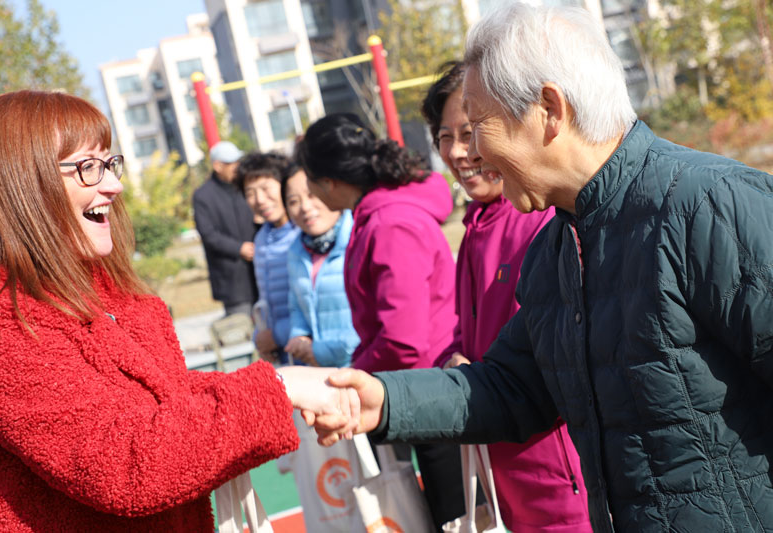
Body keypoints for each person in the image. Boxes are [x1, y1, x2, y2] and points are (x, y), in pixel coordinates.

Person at [313, 3, 773, 532]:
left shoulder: (712, 206)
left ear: (549, 109)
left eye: (478, 126)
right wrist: (386, 401)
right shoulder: (556, 250)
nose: (471, 153)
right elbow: (512, 387)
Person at [0, 90, 359, 532]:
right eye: (87, 167)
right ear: (21, 184)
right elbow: (124, 464)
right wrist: (277, 387)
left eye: (108, 163)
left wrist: (292, 386)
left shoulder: (113, 295)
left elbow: (162, 399)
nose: (113, 185)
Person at [422, 61, 591, 532]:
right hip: (505, 468)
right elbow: (465, 334)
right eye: (445, 137)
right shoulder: (476, 228)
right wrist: (454, 359)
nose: (459, 152)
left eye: (471, 132)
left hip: (557, 470)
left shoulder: (538, 219)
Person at [296, 113, 469, 530]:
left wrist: (349, 375)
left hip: (429, 393)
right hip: (417, 387)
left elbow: (403, 338)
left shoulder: (391, 223)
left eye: (309, 181)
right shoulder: (379, 215)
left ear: (330, 183)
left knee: (456, 518)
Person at [282, 166, 359, 368]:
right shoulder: (295, 252)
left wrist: (320, 352)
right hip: (321, 372)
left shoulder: (359, 240)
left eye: (312, 194)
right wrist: (300, 338)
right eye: (293, 201)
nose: (305, 207)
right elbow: (296, 305)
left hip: (363, 368)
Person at [238, 152, 300, 364]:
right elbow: (266, 300)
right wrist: (260, 338)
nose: (259, 200)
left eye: (265, 189)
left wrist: (276, 336)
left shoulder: (303, 234)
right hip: (284, 355)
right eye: (250, 193)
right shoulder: (262, 238)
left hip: (307, 350)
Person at [193, 140, 257, 317]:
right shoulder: (203, 196)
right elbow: (208, 234)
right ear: (218, 166)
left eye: (238, 162)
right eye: (232, 163)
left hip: (259, 272)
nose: (237, 167)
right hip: (232, 281)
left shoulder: (246, 186)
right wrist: (239, 248)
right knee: (241, 327)